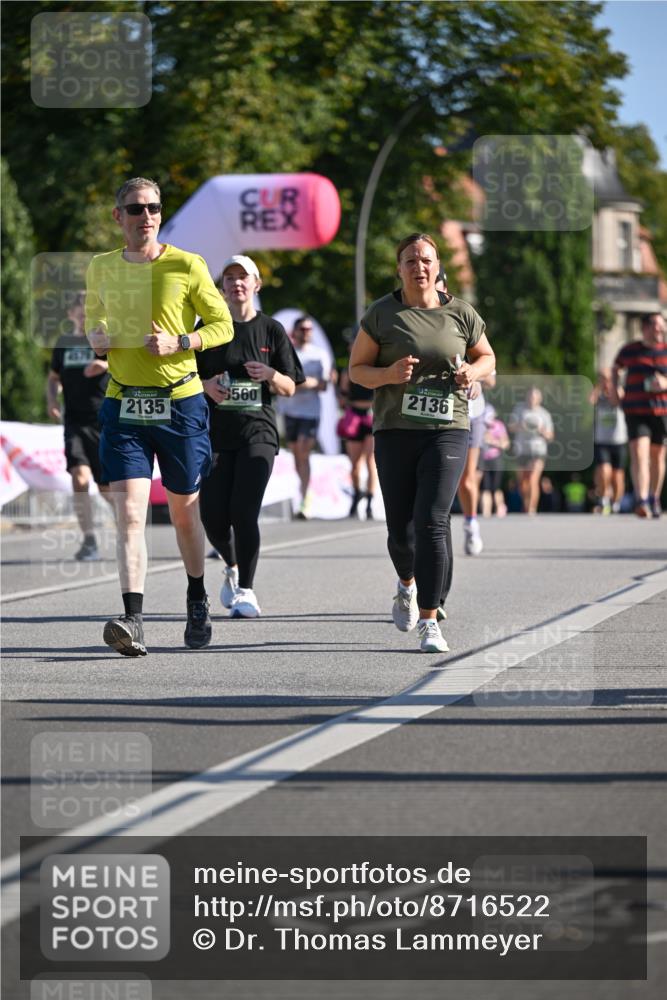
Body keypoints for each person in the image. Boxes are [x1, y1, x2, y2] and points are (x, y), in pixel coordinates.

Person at [85, 177, 233, 656]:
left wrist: (181, 342)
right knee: (129, 512)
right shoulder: (101, 267)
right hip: (124, 402)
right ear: (118, 216)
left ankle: (196, 597)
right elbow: (94, 319)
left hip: (180, 403)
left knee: (183, 515)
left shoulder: (187, 264)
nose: (145, 216)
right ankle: (133, 618)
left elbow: (222, 324)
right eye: (135, 209)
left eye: (153, 208)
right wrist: (98, 337)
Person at [349, 232, 495, 653]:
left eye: (426, 260)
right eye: (411, 260)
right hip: (395, 429)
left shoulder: (462, 313)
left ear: (437, 266)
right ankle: (406, 584)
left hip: (448, 428)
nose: (419, 267)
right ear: (399, 268)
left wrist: (473, 371)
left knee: (433, 520)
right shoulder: (381, 314)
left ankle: (430, 619)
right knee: (401, 531)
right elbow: (358, 369)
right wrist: (388, 375)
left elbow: (488, 357)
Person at [196, 255, 304, 618]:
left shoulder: (271, 330)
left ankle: (247, 591)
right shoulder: (208, 328)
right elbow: (184, 378)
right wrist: (206, 385)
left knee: (243, 512)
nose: (236, 283)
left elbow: (290, 386)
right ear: (221, 287)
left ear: (256, 285)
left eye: (243, 278)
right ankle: (231, 565)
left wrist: (271, 374)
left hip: (258, 433)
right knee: (212, 517)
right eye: (229, 278)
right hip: (214, 436)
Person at [47, 291, 111, 560]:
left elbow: (128, 368)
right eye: (79, 306)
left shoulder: (105, 340)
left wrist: (104, 365)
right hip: (74, 421)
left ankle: (129, 532)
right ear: (70, 313)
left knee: (108, 490)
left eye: (89, 306)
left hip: (104, 421)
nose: (84, 310)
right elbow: (53, 378)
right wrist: (52, 399)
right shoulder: (63, 343)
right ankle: (89, 541)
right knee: (80, 479)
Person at [611, 313, 667, 518]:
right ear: (645, 328)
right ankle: (641, 499)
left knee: (658, 455)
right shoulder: (630, 350)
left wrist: (665, 384)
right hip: (635, 410)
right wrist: (616, 388)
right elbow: (616, 367)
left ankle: (655, 497)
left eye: (663, 326)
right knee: (639, 453)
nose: (660, 330)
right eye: (656, 326)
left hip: (662, 411)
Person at [279, 315, 332, 518]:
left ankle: (304, 498)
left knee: (304, 449)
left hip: (310, 412)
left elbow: (324, 384)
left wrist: (299, 382)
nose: (306, 332)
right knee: (297, 455)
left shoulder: (320, 354)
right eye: (303, 329)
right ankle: (301, 492)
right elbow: (283, 380)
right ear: (295, 331)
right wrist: (306, 382)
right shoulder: (288, 353)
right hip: (290, 410)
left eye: (309, 329)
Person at [337, 358, 377, 519]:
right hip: (355, 414)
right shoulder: (349, 368)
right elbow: (343, 393)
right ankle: (356, 493)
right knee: (354, 464)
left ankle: (369, 503)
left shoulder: (376, 365)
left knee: (370, 461)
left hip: (371, 413)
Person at [509, 386, 554, 514]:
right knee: (523, 481)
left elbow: (551, 436)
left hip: (538, 450)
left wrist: (542, 431)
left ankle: (531, 509)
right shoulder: (519, 409)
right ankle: (525, 504)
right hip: (522, 449)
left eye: (534, 397)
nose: (531, 399)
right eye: (530, 396)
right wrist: (519, 426)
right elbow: (511, 427)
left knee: (533, 479)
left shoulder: (544, 414)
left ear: (539, 399)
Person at [590, 368, 627, 514]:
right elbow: (590, 400)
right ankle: (604, 499)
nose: (605, 381)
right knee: (604, 471)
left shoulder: (619, 391)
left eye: (607, 378)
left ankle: (616, 502)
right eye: (602, 378)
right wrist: (599, 385)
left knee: (617, 476)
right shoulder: (599, 395)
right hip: (601, 440)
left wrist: (614, 381)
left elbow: (621, 397)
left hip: (619, 440)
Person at [479, 404, 509, 518]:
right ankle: (486, 513)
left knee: (496, 487)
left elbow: (506, 444)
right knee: (485, 487)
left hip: (495, 459)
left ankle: (499, 510)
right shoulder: (480, 426)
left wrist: (492, 441)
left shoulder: (498, 425)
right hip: (482, 459)